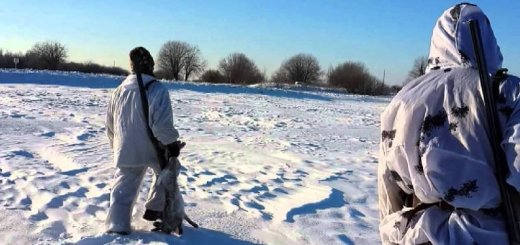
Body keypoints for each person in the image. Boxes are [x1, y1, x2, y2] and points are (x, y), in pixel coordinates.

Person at [378, 3, 520, 244]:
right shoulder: (509, 91)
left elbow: (388, 183)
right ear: (489, 40)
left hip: (416, 235)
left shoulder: (404, 98)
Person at [105, 47, 182, 235]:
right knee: (168, 172)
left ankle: (118, 225)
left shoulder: (118, 91)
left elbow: (110, 125)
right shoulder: (157, 89)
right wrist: (172, 144)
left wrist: (116, 146)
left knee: (123, 186)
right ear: (150, 64)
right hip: (152, 147)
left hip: (126, 146)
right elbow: (161, 126)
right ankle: (156, 208)